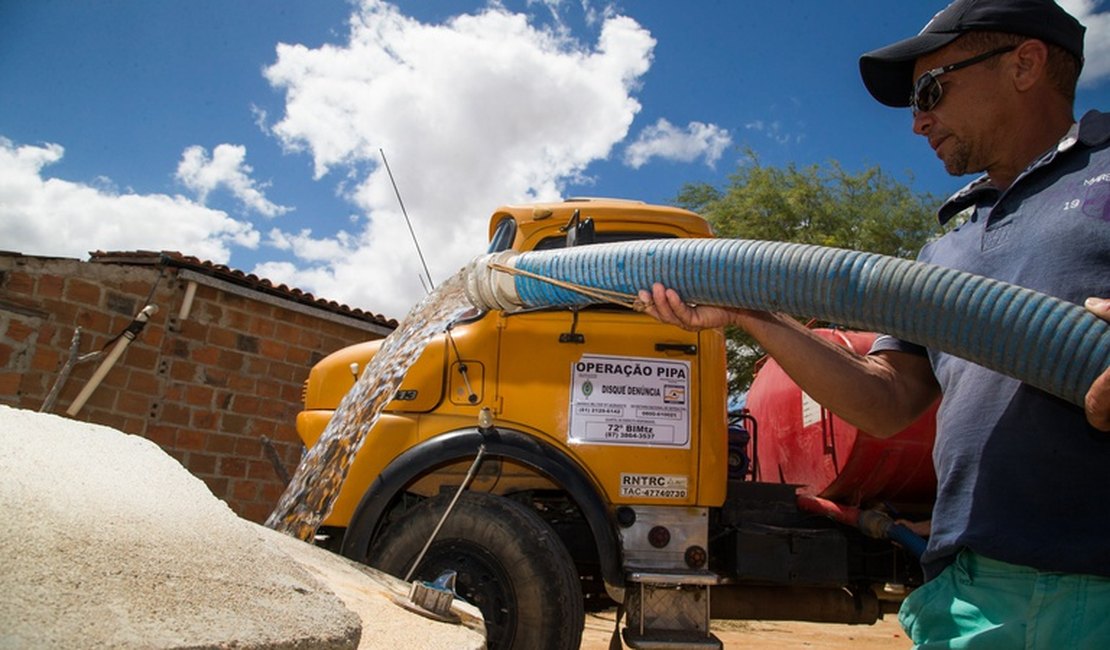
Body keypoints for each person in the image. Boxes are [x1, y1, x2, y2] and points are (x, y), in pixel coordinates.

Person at [640, 0, 1110, 646]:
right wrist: (754, 312)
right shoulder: (948, 250)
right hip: (970, 591)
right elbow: (888, 400)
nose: (919, 121)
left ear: (1024, 65)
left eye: (930, 89)